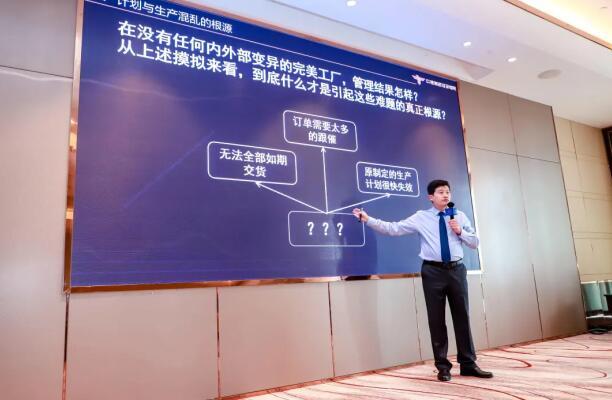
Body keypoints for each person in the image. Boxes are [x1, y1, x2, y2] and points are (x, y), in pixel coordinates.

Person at [352, 179, 493, 382]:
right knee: (436, 320)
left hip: (457, 270)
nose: (445, 195)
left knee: (462, 317)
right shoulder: (421, 217)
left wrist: (460, 231)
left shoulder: (459, 216)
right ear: (431, 197)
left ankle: (468, 364)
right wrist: (368, 219)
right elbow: (393, 228)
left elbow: (474, 242)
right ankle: (443, 367)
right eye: (441, 192)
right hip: (433, 272)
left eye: (448, 192)